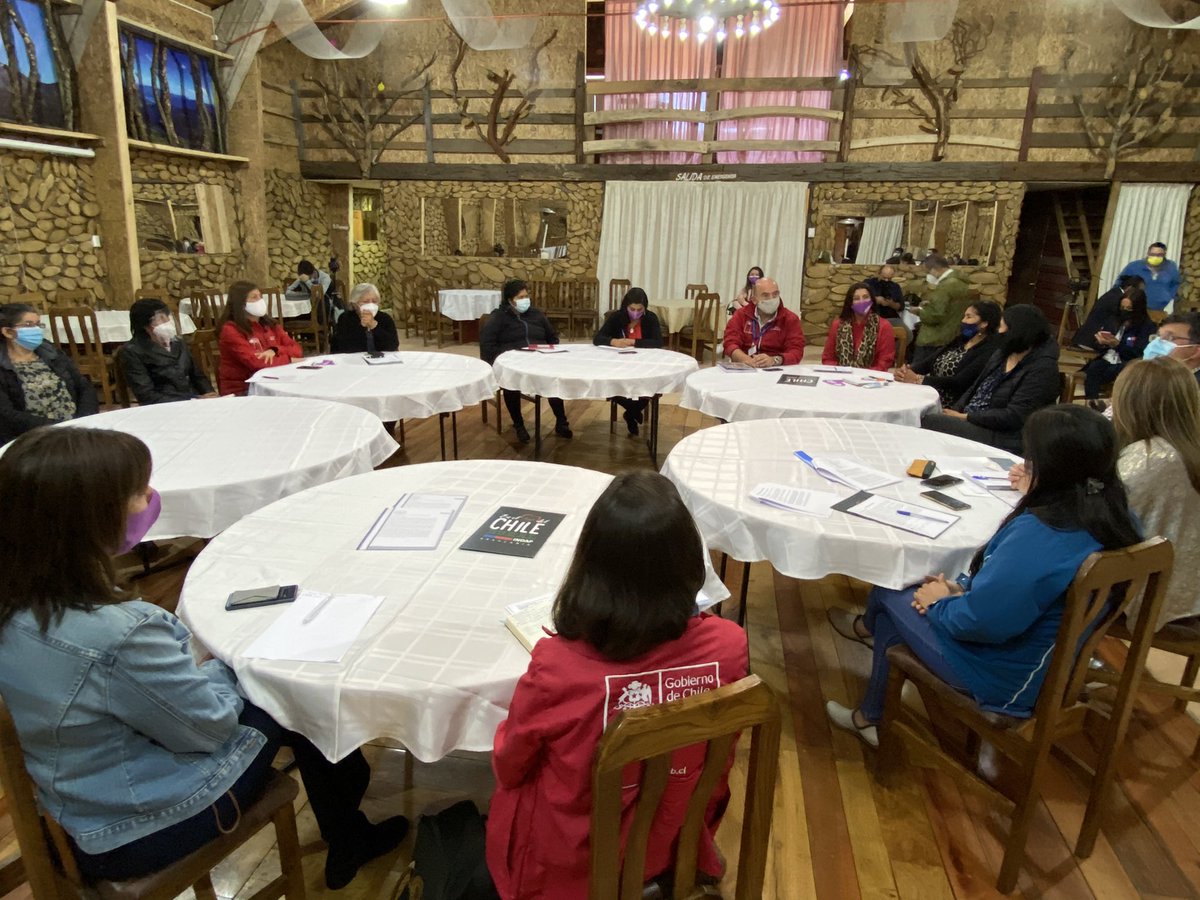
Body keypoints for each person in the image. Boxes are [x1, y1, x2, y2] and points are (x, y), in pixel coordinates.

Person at [0, 427, 408, 889]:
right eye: (136, 493)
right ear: (88, 519)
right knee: (293, 683)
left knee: (273, 681)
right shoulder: (117, 632)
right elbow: (208, 726)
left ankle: (344, 819)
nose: (150, 499)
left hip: (75, 799)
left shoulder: (17, 604)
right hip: (141, 825)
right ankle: (348, 833)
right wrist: (226, 664)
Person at [486, 471, 748, 899]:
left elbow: (509, 765)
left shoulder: (557, 668)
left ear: (588, 568)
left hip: (571, 868)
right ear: (687, 561)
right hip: (671, 842)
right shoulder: (729, 646)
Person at [825, 404, 1142, 747]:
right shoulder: (1118, 517)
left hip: (1006, 675)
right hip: (1052, 663)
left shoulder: (1041, 534)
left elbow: (982, 623)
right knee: (912, 597)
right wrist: (959, 590)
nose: (1024, 463)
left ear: (1051, 469)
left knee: (894, 587)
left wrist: (939, 604)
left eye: (1030, 458)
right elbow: (1015, 597)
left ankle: (869, 708)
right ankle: (869, 708)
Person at [1111, 357, 1200, 630]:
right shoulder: (1183, 447)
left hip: (1147, 590)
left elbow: (1103, 517)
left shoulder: (1151, 458)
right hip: (1185, 582)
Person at [920, 304, 1060, 454]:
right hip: (976, 419)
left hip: (1006, 436)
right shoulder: (1003, 353)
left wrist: (965, 417)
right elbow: (975, 387)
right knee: (930, 415)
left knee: (927, 421)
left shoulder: (1042, 368)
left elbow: (1014, 416)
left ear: (1018, 331)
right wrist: (956, 410)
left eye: (1002, 327)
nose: (998, 332)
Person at [480, 279, 571, 443]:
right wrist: (502, 360)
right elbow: (487, 345)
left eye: (526, 296)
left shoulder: (536, 315)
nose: (525, 300)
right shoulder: (499, 317)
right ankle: (519, 424)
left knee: (553, 380)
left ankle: (561, 422)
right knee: (510, 383)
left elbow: (552, 337)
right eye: (520, 297)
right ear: (510, 300)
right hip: (513, 362)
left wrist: (551, 349)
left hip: (540, 358)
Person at [0, 303, 97, 445]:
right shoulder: (3, 367)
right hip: (32, 438)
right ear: (8, 332)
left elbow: (83, 386)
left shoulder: (50, 353)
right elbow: (6, 414)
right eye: (28, 325)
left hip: (75, 429)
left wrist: (82, 419)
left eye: (38, 324)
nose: (36, 330)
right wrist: (57, 427)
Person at [896, 300, 1002, 406]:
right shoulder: (961, 340)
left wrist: (918, 378)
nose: (963, 321)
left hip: (950, 404)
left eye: (969, 317)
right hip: (927, 392)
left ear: (984, 323)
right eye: (964, 316)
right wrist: (907, 371)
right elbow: (930, 362)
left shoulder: (988, 350)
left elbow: (960, 382)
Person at [593, 287, 663, 436]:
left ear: (645, 307)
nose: (636, 312)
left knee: (651, 387)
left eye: (639, 309)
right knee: (612, 385)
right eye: (632, 308)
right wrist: (613, 341)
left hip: (644, 364)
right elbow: (598, 339)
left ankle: (630, 413)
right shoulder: (617, 317)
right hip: (618, 364)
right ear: (626, 306)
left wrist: (634, 342)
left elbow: (657, 342)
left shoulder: (650, 318)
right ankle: (633, 412)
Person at [118, 299, 215, 404]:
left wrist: (209, 393)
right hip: (165, 406)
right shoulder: (132, 352)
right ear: (145, 324)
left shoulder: (178, 343)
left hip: (194, 401)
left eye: (167, 316)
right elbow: (146, 395)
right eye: (160, 318)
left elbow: (197, 376)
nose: (167, 322)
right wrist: (192, 400)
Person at [217, 281, 303, 396]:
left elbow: (296, 349)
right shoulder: (231, 330)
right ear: (241, 303)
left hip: (275, 382)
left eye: (260, 297)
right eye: (254, 298)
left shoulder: (270, 325)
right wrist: (289, 360)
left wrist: (275, 350)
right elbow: (256, 363)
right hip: (242, 390)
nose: (260, 301)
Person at [1077, 286, 1155, 398]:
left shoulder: (1146, 327)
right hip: (1107, 358)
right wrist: (1101, 341)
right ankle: (1092, 403)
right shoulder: (1115, 319)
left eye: (1129, 308)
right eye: (1122, 307)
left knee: (1113, 372)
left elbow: (1139, 352)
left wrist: (1118, 345)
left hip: (1126, 363)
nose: (1125, 311)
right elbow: (1099, 345)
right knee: (1094, 368)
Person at [722, 277, 806, 367]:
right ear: (754, 300)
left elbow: (796, 351)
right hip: (744, 368)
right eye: (765, 295)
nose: (771, 299)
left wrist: (775, 360)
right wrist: (745, 359)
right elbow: (730, 343)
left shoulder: (790, 319)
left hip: (776, 369)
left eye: (775, 294)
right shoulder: (741, 315)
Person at [911, 253, 971, 368]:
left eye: (928, 272)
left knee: (918, 372)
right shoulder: (961, 282)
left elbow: (936, 315)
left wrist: (919, 311)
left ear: (934, 270)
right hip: (951, 333)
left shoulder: (945, 286)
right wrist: (931, 304)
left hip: (934, 338)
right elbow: (951, 306)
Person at [821, 282, 896, 372]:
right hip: (840, 377)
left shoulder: (884, 326)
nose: (862, 302)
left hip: (871, 379)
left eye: (865, 297)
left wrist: (859, 375)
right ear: (850, 303)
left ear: (872, 300)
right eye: (856, 298)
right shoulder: (837, 325)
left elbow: (884, 363)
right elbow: (827, 359)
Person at [1071, 275, 1144, 351]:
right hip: (1091, 340)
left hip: (1086, 337)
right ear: (1130, 288)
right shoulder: (1117, 299)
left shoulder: (1114, 293)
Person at [331, 283, 399, 354]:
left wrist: (374, 326)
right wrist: (362, 326)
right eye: (365, 302)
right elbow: (343, 347)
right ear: (355, 304)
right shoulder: (345, 318)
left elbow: (393, 346)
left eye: (374, 301)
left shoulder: (385, 318)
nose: (371, 305)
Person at [1116, 241, 1182, 313]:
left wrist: (1168, 297)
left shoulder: (1171, 267)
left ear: (1164, 255)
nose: (1155, 257)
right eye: (1152, 254)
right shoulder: (1134, 266)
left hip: (1158, 311)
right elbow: (1119, 284)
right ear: (1148, 253)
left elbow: (1176, 284)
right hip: (1134, 310)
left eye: (1159, 255)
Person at [1144, 311, 1200, 386]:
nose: (1157, 343)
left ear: (1196, 351)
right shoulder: (1147, 376)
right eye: (1158, 336)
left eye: (1169, 337)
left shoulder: (1193, 390)